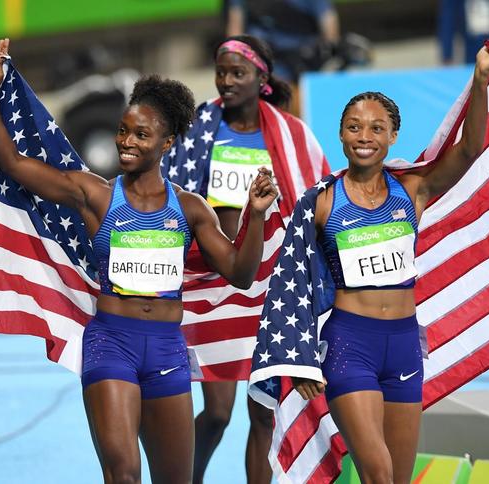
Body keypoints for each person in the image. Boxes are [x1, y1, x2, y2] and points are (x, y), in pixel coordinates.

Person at [0, 38, 278, 484]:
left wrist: (254, 216)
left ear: (167, 142)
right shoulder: (94, 193)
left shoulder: (191, 208)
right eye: (123, 131)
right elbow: (12, 161)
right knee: (123, 473)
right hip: (110, 345)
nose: (126, 142)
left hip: (167, 350)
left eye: (141, 135)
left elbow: (240, 271)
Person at [290, 22, 489, 483]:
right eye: (354, 126)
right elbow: (293, 281)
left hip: (402, 347)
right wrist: (298, 354)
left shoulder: (413, 189)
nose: (365, 135)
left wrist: (480, 81)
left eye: (377, 128)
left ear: (393, 137)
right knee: (377, 473)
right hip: (347, 346)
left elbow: (471, 150)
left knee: (397, 479)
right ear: (340, 134)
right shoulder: (321, 201)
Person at [161, 34, 329, 484]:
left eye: (238, 73)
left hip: (272, 289)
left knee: (263, 413)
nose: (227, 81)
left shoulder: (292, 135)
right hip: (213, 283)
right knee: (216, 413)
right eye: (221, 72)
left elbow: (318, 201)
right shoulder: (198, 128)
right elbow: (165, 195)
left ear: (262, 77)